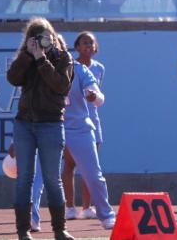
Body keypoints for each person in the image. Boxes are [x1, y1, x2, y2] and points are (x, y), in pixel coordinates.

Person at [6, 17, 74, 240]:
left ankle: (59, 230)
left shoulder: (63, 58)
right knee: (24, 177)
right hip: (25, 123)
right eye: (37, 38)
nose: (43, 41)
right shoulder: (25, 57)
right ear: (29, 40)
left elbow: (61, 85)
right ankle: (23, 231)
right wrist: (27, 56)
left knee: (53, 178)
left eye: (47, 36)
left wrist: (42, 60)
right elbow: (12, 78)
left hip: (51, 123)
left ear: (52, 37)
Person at [59, 48, 115, 229]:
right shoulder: (41, 68)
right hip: (50, 127)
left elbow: (98, 97)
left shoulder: (82, 69)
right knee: (39, 176)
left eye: (58, 45)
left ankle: (104, 214)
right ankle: (33, 218)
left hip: (80, 127)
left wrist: (94, 95)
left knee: (92, 172)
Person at [62, 31, 106, 220]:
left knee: (90, 166)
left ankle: (87, 208)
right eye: (83, 43)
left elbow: (96, 94)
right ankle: (70, 207)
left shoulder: (99, 68)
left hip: (92, 120)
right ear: (77, 47)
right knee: (69, 164)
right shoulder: (71, 67)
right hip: (72, 121)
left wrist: (92, 97)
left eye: (91, 43)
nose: (88, 46)